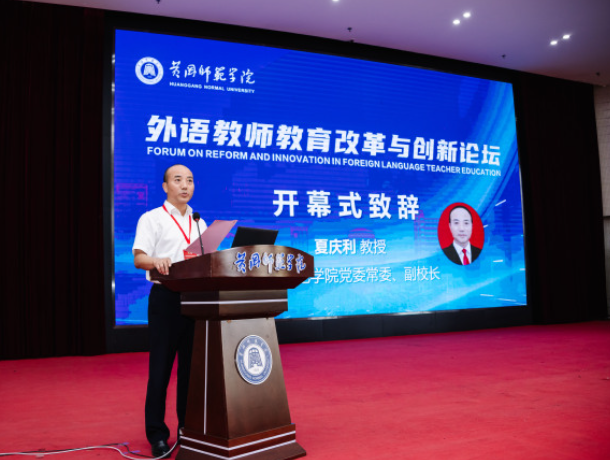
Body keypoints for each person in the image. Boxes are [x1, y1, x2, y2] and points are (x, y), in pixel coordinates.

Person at [132, 164, 207, 459]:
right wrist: (156, 261)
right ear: (165, 186)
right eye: (178, 180)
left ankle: (188, 430)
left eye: (190, 180)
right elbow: (139, 258)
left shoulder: (199, 222)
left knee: (190, 371)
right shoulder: (152, 218)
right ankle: (157, 436)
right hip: (165, 300)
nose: (185, 185)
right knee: (160, 371)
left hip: (195, 301)